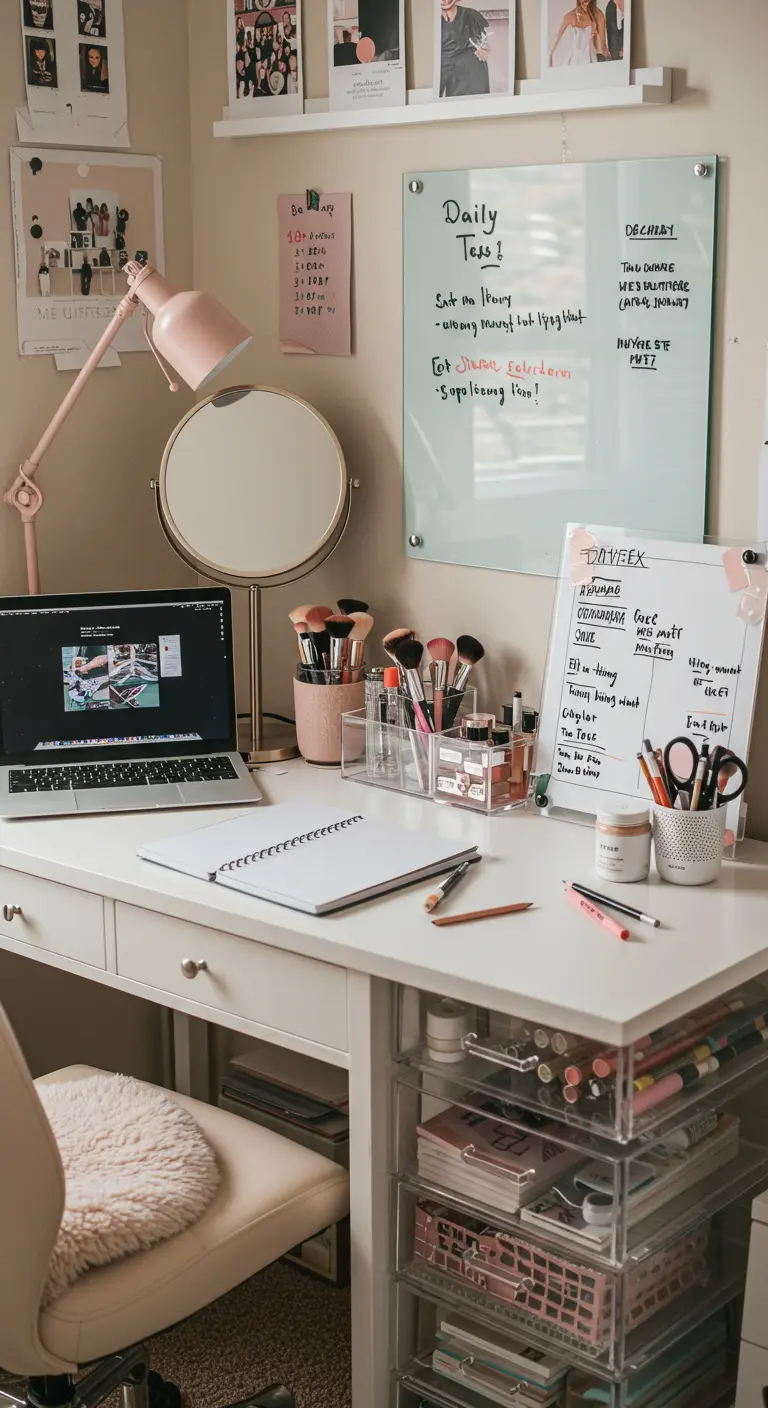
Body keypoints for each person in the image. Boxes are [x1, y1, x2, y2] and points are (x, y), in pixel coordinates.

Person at [440, 0, 491, 98]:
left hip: (468, 72)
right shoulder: (428, 20)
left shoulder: (471, 16)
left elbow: (484, 41)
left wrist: (484, 49)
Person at [549, 0, 609, 66]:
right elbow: (557, 37)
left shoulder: (598, 15)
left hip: (591, 58)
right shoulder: (571, 16)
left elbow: (604, 47)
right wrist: (549, 57)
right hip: (574, 60)